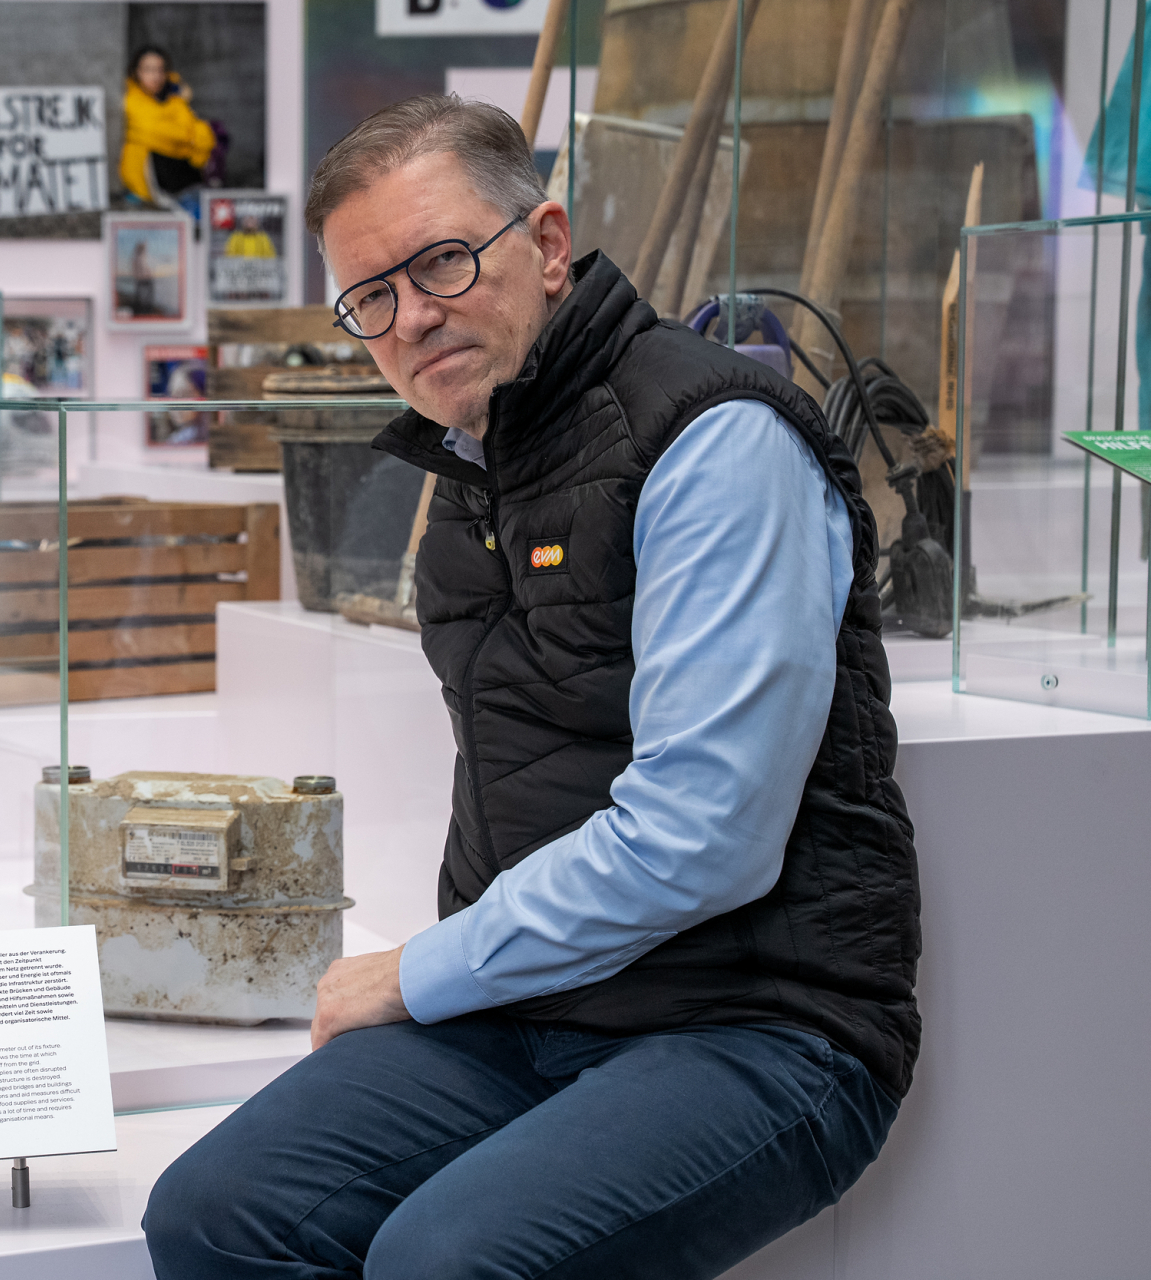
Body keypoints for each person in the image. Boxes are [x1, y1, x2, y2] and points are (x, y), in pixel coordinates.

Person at [143, 94, 920, 1280]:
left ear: (547, 244)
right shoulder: (476, 462)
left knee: (448, 1262)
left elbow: (703, 838)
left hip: (760, 1016)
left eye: (442, 261)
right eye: (373, 298)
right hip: (546, 1003)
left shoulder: (715, 440)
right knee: (212, 1211)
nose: (412, 317)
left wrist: (418, 971)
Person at [119, 45, 215, 213]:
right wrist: (188, 139)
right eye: (148, 70)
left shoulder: (174, 99)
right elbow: (153, 131)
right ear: (136, 73)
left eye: (159, 70)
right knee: (152, 149)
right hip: (154, 172)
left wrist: (186, 135)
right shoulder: (132, 99)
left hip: (183, 170)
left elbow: (203, 133)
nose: (155, 76)